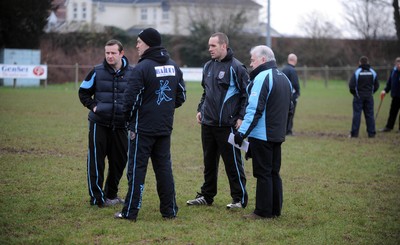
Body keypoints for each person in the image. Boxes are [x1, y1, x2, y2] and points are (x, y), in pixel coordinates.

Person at [115, 28, 186, 221]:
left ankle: (130, 212)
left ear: (149, 44)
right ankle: (169, 211)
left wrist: (129, 120)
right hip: (164, 127)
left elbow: (130, 100)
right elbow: (180, 97)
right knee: (164, 169)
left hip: (141, 129)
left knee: (137, 169)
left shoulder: (142, 68)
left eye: (139, 42)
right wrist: (163, 110)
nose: (136, 45)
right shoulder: (174, 66)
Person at [186, 32, 248, 209]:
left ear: (224, 46)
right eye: (209, 46)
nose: (209, 49)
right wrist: (200, 109)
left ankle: (239, 198)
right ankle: (207, 196)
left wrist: (241, 117)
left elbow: (246, 95)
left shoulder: (237, 68)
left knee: (232, 163)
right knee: (209, 162)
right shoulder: (207, 66)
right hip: (207, 124)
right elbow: (206, 92)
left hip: (227, 126)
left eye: (213, 46)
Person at [234, 45, 292, 219]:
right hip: (277, 134)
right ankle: (275, 210)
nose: (251, 64)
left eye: (252, 60)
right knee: (274, 172)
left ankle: (262, 211)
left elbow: (254, 110)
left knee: (263, 173)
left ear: (263, 59)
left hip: (262, 135)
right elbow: (290, 109)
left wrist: (241, 133)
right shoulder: (285, 78)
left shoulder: (262, 78)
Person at [78, 39, 133, 207]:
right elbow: (83, 92)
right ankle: (97, 199)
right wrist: (94, 106)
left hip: (122, 125)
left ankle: (111, 195)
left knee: (119, 161)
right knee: (96, 162)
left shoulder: (133, 73)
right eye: (107, 53)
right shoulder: (97, 71)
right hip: (99, 124)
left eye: (113, 53)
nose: (109, 56)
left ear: (121, 54)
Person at [348, 56, 379, 138]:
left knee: (357, 115)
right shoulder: (373, 72)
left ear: (360, 62)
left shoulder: (357, 72)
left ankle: (354, 134)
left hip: (358, 97)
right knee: (370, 115)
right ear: (368, 62)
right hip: (369, 97)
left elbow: (351, 86)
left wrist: (355, 94)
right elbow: (376, 85)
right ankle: (371, 134)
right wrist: (371, 93)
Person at [380, 57, 400, 132]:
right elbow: (389, 83)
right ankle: (389, 127)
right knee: (392, 112)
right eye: (397, 64)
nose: (398, 65)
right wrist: (385, 90)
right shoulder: (393, 71)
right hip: (395, 96)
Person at [281, 53, 300, 136]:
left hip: (282, 95)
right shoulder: (292, 70)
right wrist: (298, 93)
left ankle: (283, 130)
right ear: (295, 61)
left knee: (283, 113)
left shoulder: (283, 69)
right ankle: (288, 131)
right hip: (291, 96)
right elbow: (295, 84)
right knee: (291, 113)